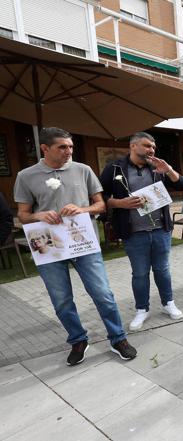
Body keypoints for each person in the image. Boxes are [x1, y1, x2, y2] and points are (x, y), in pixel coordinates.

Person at [14, 127, 136, 365]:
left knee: (102, 293)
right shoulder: (25, 176)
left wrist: (83, 209)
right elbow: (22, 215)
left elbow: (100, 205)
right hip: (48, 243)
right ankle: (78, 340)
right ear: (45, 148)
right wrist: (39, 216)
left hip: (82, 239)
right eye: (62, 147)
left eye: (70, 146)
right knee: (61, 299)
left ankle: (117, 337)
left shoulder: (83, 170)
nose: (69, 151)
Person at [100, 132, 183, 331]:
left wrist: (169, 170)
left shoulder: (157, 168)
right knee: (139, 273)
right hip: (134, 232)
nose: (151, 150)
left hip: (160, 230)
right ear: (133, 146)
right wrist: (119, 203)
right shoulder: (114, 168)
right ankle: (142, 309)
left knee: (162, 270)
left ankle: (168, 303)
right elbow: (98, 196)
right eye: (147, 146)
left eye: (153, 147)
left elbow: (182, 186)